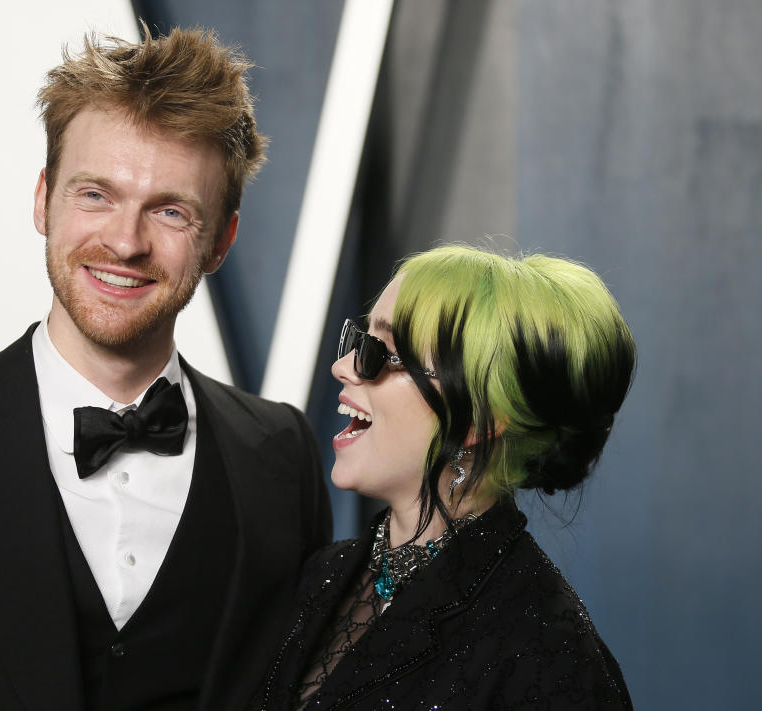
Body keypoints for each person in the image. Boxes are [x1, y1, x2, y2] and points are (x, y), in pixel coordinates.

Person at [0, 26, 331, 710]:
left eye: (170, 210)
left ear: (222, 240)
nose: (124, 241)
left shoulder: (282, 456)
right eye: (95, 195)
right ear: (43, 198)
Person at [250, 245, 636, 710]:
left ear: (478, 418)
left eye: (381, 354)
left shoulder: (549, 654)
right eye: (357, 341)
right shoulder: (323, 577)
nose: (343, 367)